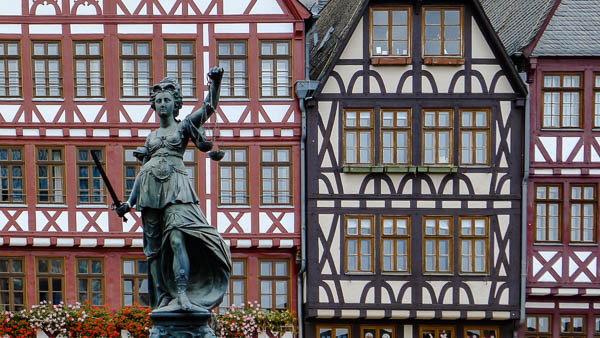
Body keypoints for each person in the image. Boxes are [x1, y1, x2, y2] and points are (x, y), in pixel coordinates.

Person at [116, 68, 231, 313]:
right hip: (149, 191)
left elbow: (210, 107)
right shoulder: (151, 137)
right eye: (158, 101)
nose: (163, 104)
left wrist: (216, 82)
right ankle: (163, 297)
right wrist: (129, 202)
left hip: (176, 188)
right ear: (154, 105)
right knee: (154, 251)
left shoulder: (185, 126)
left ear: (176, 103)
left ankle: (182, 294)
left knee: (178, 238)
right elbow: (143, 171)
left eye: (168, 100)